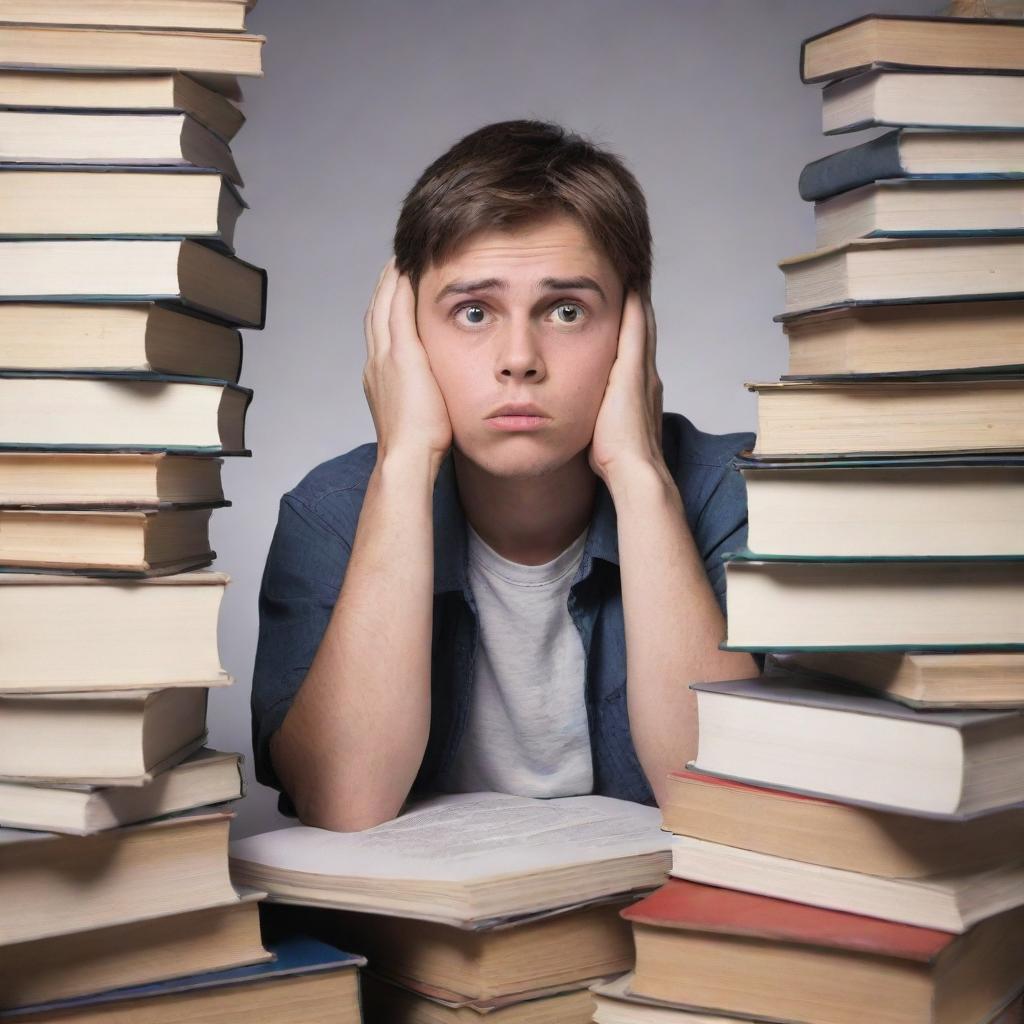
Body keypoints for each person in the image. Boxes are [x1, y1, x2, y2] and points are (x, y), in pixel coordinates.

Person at [251, 119, 758, 831]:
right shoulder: (328, 514)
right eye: (473, 311)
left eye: (566, 310)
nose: (519, 357)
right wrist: (404, 465)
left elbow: (732, 801)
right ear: (406, 332)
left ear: (633, 329)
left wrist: (640, 475)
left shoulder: (735, 496)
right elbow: (344, 801)